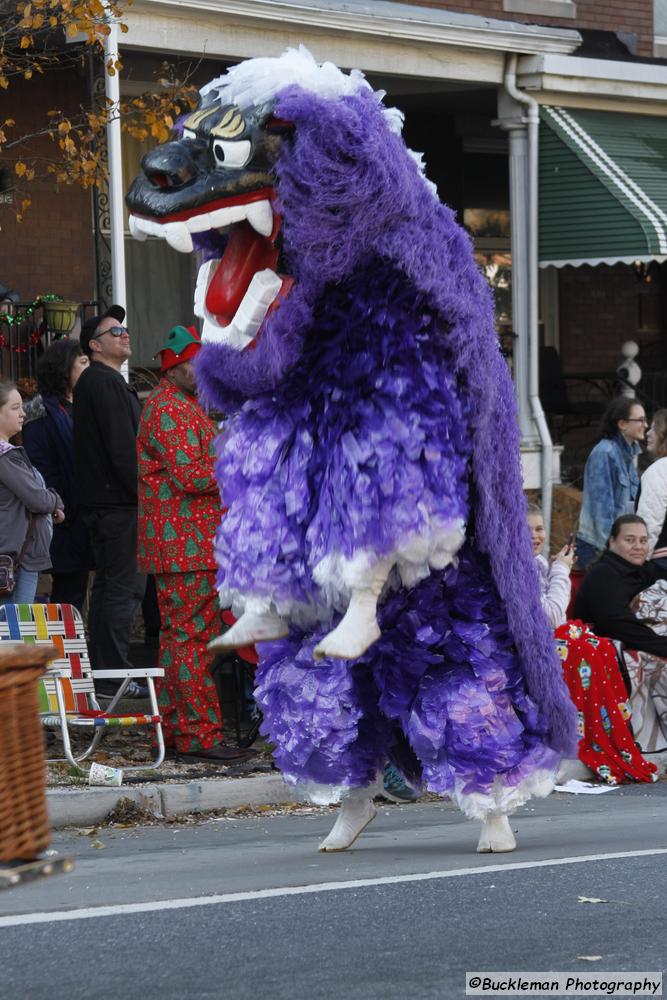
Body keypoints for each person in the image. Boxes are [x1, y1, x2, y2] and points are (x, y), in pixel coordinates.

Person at [137, 325, 251, 762]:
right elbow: (191, 476)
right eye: (194, 364)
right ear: (175, 366)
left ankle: (176, 735)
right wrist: (239, 465)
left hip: (189, 546)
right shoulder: (170, 409)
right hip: (186, 547)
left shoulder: (181, 405)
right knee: (191, 640)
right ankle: (199, 736)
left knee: (179, 640)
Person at [73, 306, 146, 699]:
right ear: (95, 345)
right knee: (122, 591)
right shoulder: (103, 383)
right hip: (119, 507)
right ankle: (112, 676)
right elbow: (124, 451)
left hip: (109, 505)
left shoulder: (100, 382)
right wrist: (145, 498)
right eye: (114, 330)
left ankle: (104, 673)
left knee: (108, 590)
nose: (124, 333)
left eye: (125, 327)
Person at [572, 514, 667, 756]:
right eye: (630, 539)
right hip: (607, 650)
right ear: (612, 541)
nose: (638, 546)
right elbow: (616, 623)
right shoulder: (603, 575)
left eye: (643, 540)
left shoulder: (646, 571)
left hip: (642, 643)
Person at [22, 339, 93, 611]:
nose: (89, 368)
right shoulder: (42, 415)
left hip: (80, 516)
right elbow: (42, 469)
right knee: (68, 594)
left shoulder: (80, 405)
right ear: (65, 369)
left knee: (77, 591)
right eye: (83, 362)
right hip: (63, 518)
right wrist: (62, 506)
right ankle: (63, 651)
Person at [0, 380, 64, 604]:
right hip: (15, 559)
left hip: (13, 557)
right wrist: (55, 500)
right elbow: (37, 498)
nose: (23, 413)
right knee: (14, 632)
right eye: (15, 407)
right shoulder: (6, 457)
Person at [575, 397, 647, 570]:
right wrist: (615, 551)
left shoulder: (628, 456)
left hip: (618, 545)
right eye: (641, 420)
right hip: (600, 548)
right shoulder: (604, 452)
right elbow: (601, 512)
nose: (646, 424)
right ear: (622, 424)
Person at [527, 503, 573, 628]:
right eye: (525, 530)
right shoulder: (515, 569)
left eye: (539, 529)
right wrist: (560, 569)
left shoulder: (539, 561)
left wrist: (553, 571)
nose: (534, 536)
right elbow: (552, 618)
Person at [637, 409, 667, 563]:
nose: (648, 432)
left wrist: (640, 562)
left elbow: (649, 522)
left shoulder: (659, 470)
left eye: (654, 428)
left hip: (661, 564)